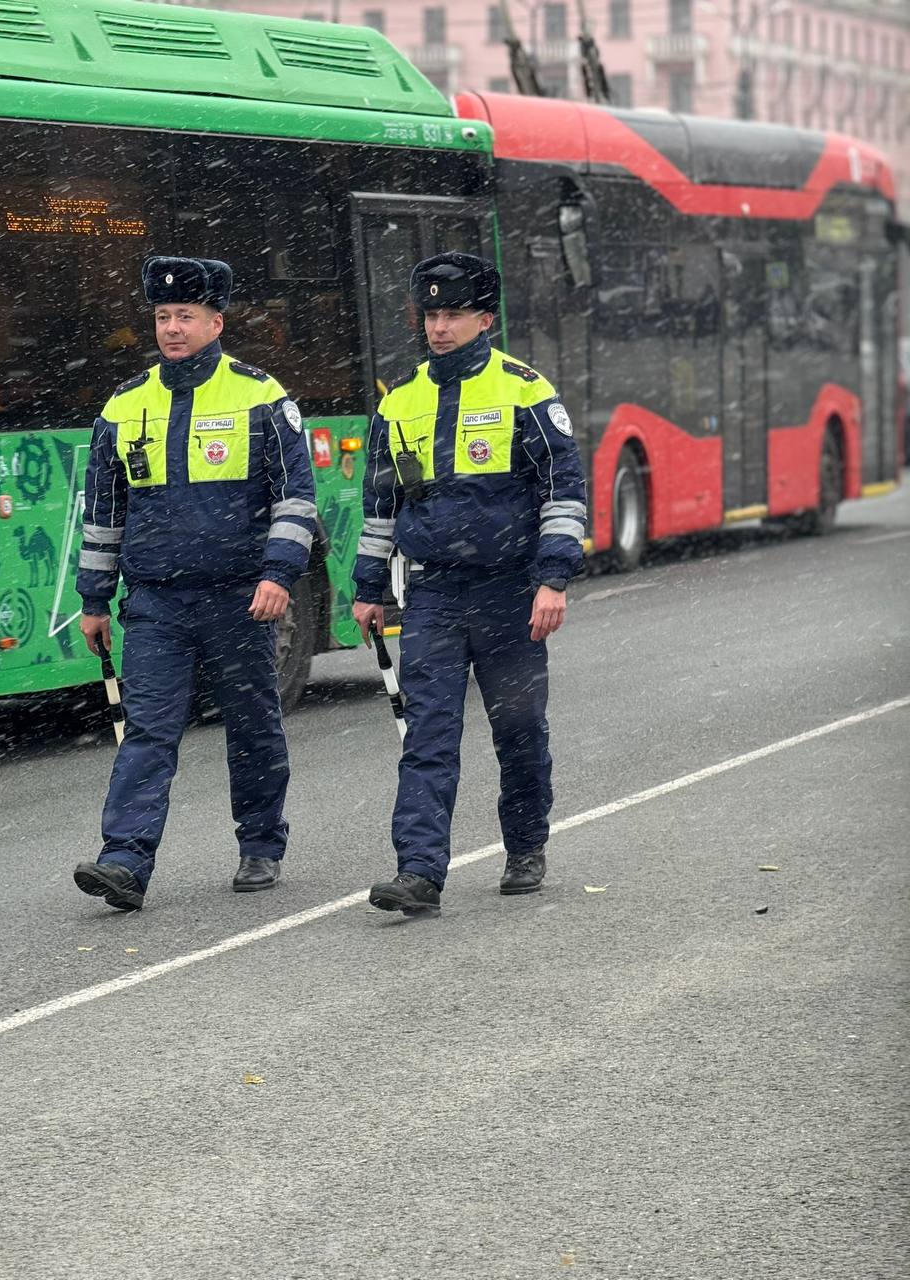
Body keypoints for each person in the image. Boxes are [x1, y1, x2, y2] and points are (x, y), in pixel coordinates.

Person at [73, 256, 316, 911]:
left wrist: (279, 575)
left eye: (185, 316)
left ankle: (261, 844)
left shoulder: (261, 396)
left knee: (252, 723)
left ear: (216, 320)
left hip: (238, 597)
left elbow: (297, 498)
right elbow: (104, 513)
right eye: (162, 316)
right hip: (155, 602)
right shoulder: (124, 405)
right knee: (148, 729)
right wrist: (93, 600)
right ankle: (124, 861)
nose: (172, 328)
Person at [352, 252, 587, 914]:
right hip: (434, 593)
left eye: (453, 314)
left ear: (485, 319)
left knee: (518, 729)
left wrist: (553, 579)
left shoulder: (524, 390)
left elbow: (562, 490)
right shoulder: (398, 402)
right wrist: (369, 587)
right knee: (427, 734)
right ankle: (420, 872)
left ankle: (525, 845)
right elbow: (379, 506)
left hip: (511, 591)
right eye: (431, 315)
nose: (439, 327)